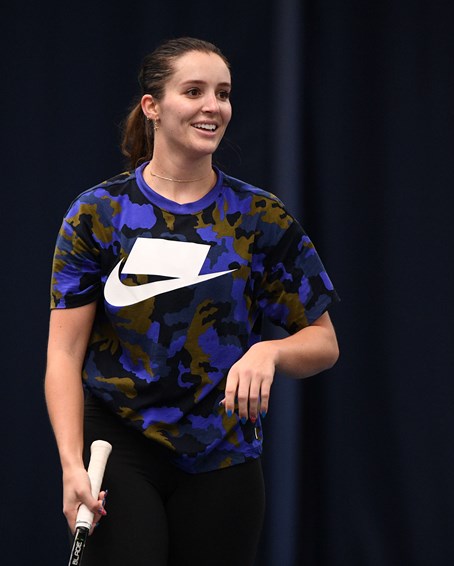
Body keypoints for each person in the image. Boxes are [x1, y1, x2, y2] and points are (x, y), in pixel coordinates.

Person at [45, 37, 340, 566]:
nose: (213, 106)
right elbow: (64, 356)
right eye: (194, 91)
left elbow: (324, 342)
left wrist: (268, 353)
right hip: (120, 447)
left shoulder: (260, 217)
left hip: (222, 457)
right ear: (152, 107)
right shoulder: (98, 213)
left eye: (223, 94)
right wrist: (72, 466)